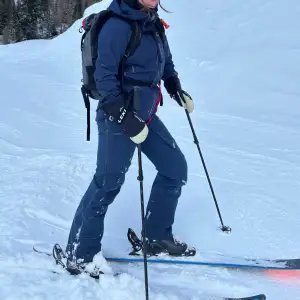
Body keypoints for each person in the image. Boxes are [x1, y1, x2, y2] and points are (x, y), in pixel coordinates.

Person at [65, 0, 195, 276]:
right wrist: (124, 118)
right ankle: (79, 253)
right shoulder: (117, 25)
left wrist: (175, 88)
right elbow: (104, 76)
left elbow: (165, 64)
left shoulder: (153, 23)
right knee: (107, 183)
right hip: (118, 117)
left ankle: (157, 237)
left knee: (174, 169)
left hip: (145, 115)